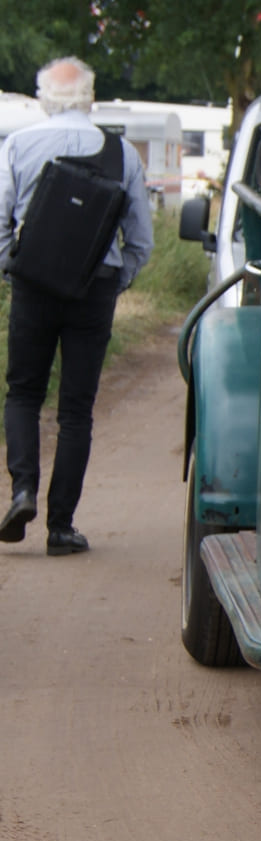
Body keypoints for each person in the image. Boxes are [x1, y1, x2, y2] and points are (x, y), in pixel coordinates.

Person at [0, 56, 153, 555]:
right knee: (76, 410)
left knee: (23, 392)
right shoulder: (123, 153)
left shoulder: (18, 145)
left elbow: (1, 224)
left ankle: (22, 489)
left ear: (44, 98)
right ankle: (61, 527)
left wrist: (15, 267)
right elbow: (141, 241)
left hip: (34, 285)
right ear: (90, 99)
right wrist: (114, 280)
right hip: (95, 289)